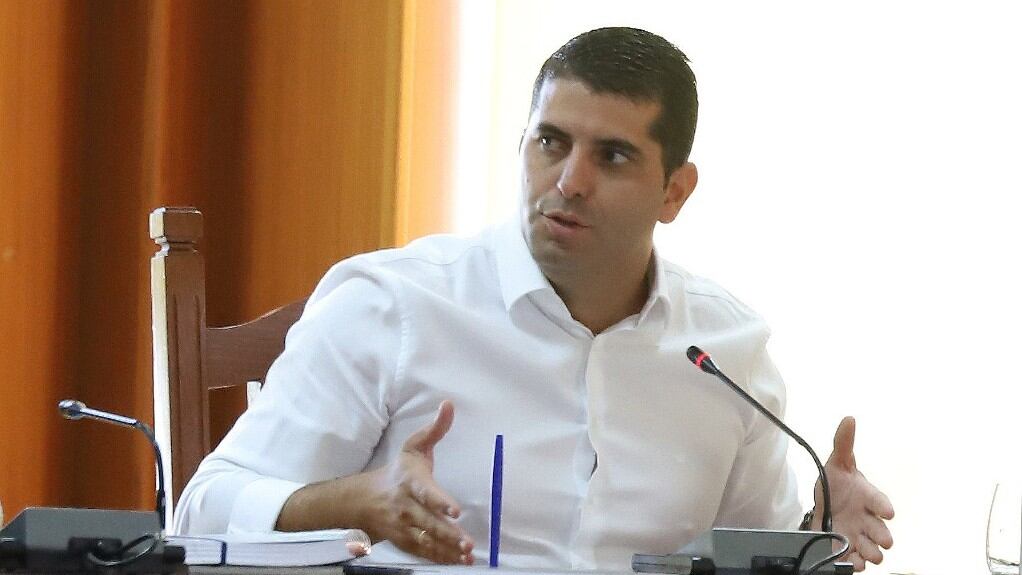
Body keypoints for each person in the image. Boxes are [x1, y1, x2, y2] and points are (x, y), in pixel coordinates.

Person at [174, 27, 894, 570]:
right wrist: (354, 500)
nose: (569, 181)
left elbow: (748, 556)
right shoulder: (394, 305)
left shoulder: (728, 351)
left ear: (675, 190)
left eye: (611, 156)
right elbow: (199, 512)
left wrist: (816, 530)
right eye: (550, 142)